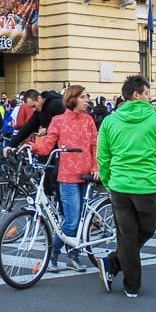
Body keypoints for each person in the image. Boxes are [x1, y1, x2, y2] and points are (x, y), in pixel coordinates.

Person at [96, 75, 156, 298]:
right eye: (147, 93)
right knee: (146, 229)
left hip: (119, 186)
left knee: (127, 235)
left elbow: (103, 156)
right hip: (145, 185)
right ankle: (130, 283)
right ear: (137, 94)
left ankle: (117, 266)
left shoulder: (110, 121)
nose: (150, 98)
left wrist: (107, 180)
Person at [31, 85, 98, 272]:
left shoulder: (89, 120)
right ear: (73, 99)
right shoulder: (58, 120)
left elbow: (95, 146)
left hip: (88, 175)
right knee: (71, 221)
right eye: (83, 97)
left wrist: (96, 166)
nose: (87, 100)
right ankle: (52, 253)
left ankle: (73, 256)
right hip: (67, 176)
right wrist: (32, 146)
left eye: (87, 96)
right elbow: (47, 146)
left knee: (81, 221)